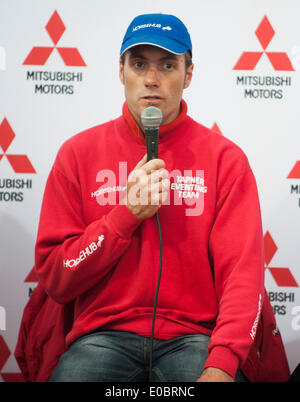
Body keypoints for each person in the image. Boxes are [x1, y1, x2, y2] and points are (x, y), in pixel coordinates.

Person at [34, 13, 265, 382]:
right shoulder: (77, 154)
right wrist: (124, 216)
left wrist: (222, 364)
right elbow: (57, 277)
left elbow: (243, 276)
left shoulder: (226, 160)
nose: (152, 80)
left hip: (195, 340)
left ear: (188, 74)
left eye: (168, 65)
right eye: (139, 64)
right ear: (120, 71)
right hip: (101, 338)